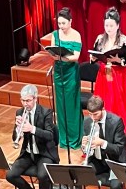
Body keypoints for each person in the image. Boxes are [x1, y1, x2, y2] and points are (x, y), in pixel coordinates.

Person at [92, 9, 126, 160]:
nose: (108, 28)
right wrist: (94, 58)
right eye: (106, 25)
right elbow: (94, 55)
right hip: (104, 76)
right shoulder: (100, 39)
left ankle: (122, 143)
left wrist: (118, 60)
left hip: (120, 78)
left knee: (122, 108)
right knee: (104, 105)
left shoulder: (125, 41)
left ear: (117, 25)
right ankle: (102, 142)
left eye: (111, 25)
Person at [44, 8, 82, 150]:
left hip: (71, 72)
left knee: (71, 104)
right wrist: (55, 56)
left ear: (70, 22)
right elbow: (53, 52)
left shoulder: (76, 35)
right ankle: (64, 139)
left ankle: (74, 139)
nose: (61, 26)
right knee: (61, 105)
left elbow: (76, 56)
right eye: (59, 23)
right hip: (59, 71)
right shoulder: (55, 34)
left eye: (64, 23)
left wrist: (62, 58)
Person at [7, 85, 59, 189]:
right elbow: (14, 138)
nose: (25, 104)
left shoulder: (46, 112)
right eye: (23, 100)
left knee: (42, 176)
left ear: (35, 99)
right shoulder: (19, 112)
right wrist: (18, 129)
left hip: (44, 154)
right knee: (10, 175)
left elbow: (50, 135)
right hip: (28, 153)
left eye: (28, 101)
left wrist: (32, 129)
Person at [82, 94, 126, 189]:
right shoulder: (87, 122)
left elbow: (118, 149)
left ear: (103, 109)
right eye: (90, 114)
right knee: (79, 176)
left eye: (95, 114)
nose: (93, 118)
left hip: (116, 162)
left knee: (116, 186)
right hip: (98, 161)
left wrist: (102, 143)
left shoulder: (116, 122)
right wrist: (84, 146)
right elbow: (88, 152)